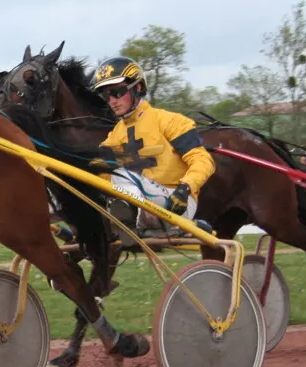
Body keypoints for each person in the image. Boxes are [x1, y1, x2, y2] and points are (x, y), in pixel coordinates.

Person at [88, 56, 216, 237]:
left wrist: (185, 188)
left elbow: (204, 161)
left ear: (138, 87)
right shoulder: (114, 135)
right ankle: (128, 218)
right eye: (105, 95)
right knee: (94, 167)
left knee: (117, 172)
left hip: (177, 203)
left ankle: (132, 219)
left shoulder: (170, 121)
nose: (112, 101)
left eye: (117, 92)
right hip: (137, 199)